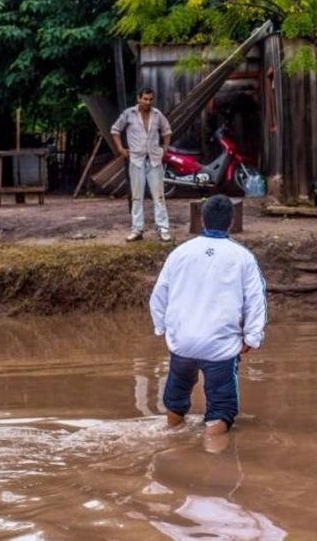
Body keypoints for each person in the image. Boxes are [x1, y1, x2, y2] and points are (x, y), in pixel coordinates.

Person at [149, 195, 268, 435]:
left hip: (182, 343)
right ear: (231, 222)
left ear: (202, 220)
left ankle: (171, 439)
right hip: (220, 347)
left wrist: (162, 328)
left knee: (176, 397)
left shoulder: (180, 253)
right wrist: (251, 338)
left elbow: (159, 295)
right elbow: (256, 301)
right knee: (221, 410)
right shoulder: (242, 257)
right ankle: (214, 458)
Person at [111, 87, 173, 242]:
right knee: (137, 196)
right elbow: (115, 130)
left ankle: (163, 228)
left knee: (159, 195)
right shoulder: (129, 114)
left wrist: (164, 150)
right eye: (145, 99)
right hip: (136, 160)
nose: (148, 102)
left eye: (150, 99)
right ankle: (137, 229)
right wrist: (120, 148)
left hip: (154, 159)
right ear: (139, 98)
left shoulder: (157, 114)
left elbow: (167, 131)